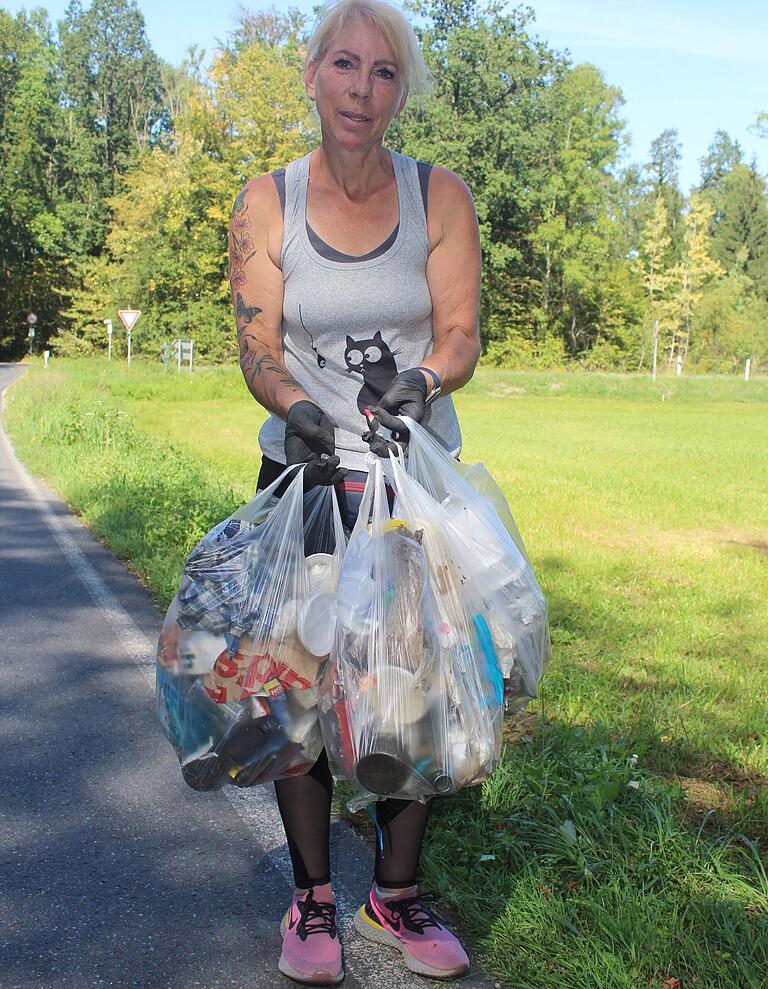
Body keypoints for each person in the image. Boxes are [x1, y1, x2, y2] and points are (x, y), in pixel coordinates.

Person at [228, 1, 481, 983]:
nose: (361, 89)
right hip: (303, 474)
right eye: (345, 65)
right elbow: (257, 344)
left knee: (414, 693)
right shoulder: (268, 200)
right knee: (299, 690)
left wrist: (429, 378)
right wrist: (291, 402)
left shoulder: (440, 195)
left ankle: (395, 893)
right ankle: (313, 897)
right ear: (312, 75)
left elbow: (458, 329)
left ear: (399, 93)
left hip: (408, 480)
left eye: (383, 73)